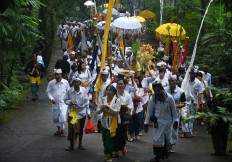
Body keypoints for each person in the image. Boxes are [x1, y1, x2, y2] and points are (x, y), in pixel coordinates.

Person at [144, 82, 178, 162]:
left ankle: (164, 155)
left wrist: (175, 121)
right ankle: (157, 157)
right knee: (157, 140)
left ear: (162, 89)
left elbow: (174, 111)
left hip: (168, 123)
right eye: (155, 91)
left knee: (167, 140)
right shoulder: (153, 98)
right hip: (158, 122)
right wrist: (146, 123)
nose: (157, 93)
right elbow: (149, 111)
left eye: (158, 90)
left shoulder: (169, 98)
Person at [64, 77, 91, 151]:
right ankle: (71, 145)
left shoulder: (84, 90)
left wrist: (88, 113)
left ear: (80, 83)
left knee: (80, 129)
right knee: (71, 129)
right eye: (74, 82)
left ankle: (80, 144)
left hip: (82, 113)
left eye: (78, 82)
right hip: (73, 113)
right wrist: (70, 101)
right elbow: (65, 100)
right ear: (73, 83)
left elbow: (87, 102)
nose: (76, 83)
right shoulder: (69, 91)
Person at [209, 74, 231, 156]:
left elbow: (216, 103)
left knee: (216, 133)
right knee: (224, 133)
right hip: (227, 114)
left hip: (218, 114)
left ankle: (218, 150)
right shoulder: (229, 88)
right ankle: (223, 149)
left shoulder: (219, 90)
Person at [97, 85, 121, 162]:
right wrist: (101, 108)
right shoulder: (103, 99)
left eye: (110, 90)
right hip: (104, 121)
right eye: (107, 90)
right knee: (104, 139)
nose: (108, 91)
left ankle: (108, 156)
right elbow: (97, 111)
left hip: (113, 121)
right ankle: (107, 155)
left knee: (110, 140)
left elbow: (117, 111)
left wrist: (108, 108)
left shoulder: (117, 100)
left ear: (114, 92)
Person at [164, 75, 186, 152]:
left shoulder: (181, 92)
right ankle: (165, 145)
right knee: (166, 130)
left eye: (173, 81)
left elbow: (183, 104)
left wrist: (174, 106)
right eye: (170, 81)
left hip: (175, 115)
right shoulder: (164, 90)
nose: (171, 82)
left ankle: (171, 145)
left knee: (174, 130)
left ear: (176, 82)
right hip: (165, 114)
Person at [112, 78, 134, 158]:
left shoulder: (128, 95)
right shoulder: (114, 94)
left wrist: (126, 107)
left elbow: (131, 106)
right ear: (117, 85)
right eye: (119, 84)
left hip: (124, 117)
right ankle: (115, 150)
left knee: (123, 133)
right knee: (115, 133)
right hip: (115, 116)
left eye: (122, 84)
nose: (120, 85)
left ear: (124, 85)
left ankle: (123, 146)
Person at [46, 69, 70, 137]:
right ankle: (59, 129)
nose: (57, 76)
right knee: (56, 118)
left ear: (61, 75)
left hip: (64, 103)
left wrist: (69, 101)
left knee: (62, 116)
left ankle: (62, 130)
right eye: (55, 74)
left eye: (58, 74)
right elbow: (48, 91)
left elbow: (68, 91)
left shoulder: (65, 82)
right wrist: (52, 98)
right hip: (55, 103)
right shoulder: (51, 83)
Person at [181, 67, 203, 138]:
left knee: (191, 118)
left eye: (193, 73)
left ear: (195, 74)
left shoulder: (198, 83)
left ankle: (190, 131)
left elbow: (200, 94)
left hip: (193, 102)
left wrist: (199, 104)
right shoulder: (185, 81)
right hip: (184, 101)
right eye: (191, 73)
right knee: (184, 116)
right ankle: (184, 132)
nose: (192, 75)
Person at [128, 77, 144, 141]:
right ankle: (131, 135)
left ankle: (137, 133)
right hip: (130, 108)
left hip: (139, 109)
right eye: (133, 81)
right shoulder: (129, 88)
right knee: (131, 122)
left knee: (138, 122)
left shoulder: (141, 89)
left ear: (139, 82)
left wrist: (134, 90)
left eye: (136, 81)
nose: (135, 82)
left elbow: (137, 98)